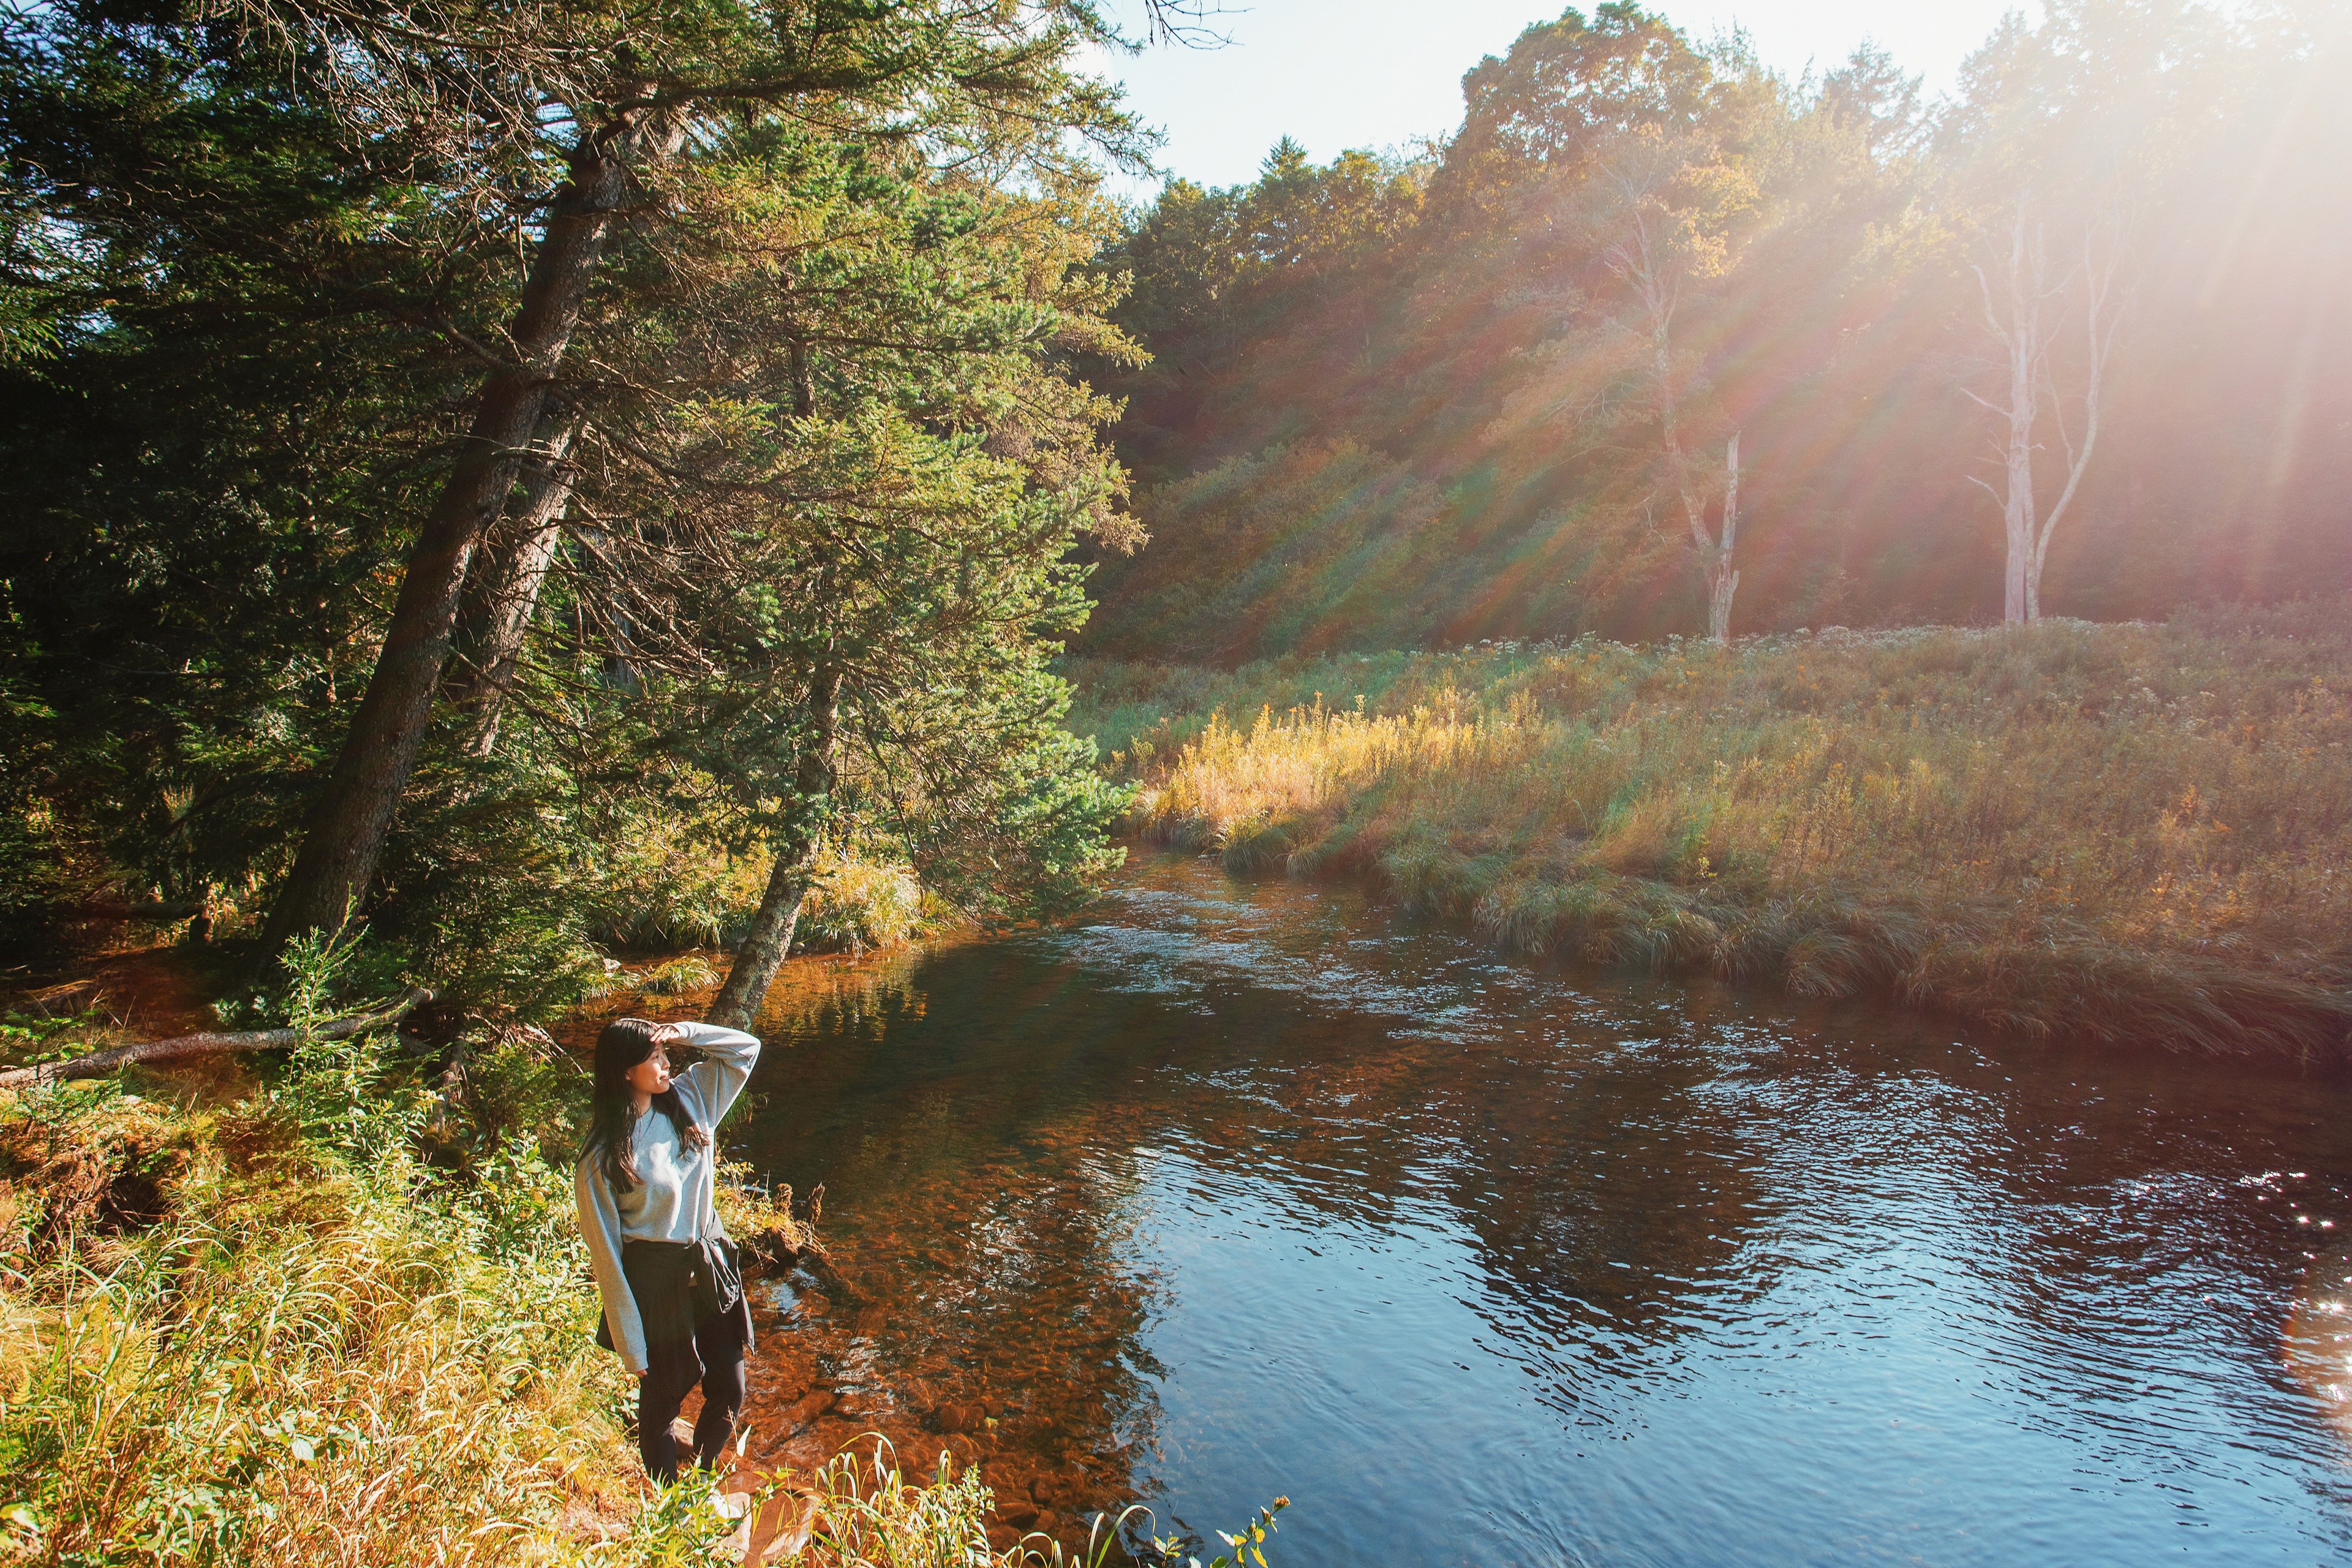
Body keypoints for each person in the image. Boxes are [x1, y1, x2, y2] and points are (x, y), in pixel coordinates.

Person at [575, 1016, 761, 1482]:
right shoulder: (601, 1156)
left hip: (709, 1261)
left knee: (730, 1388)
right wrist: (630, 1345)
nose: (665, 1064)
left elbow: (746, 1049)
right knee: (662, 1403)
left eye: (664, 1055)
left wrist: (683, 1032)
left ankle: (700, 1482)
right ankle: (668, 1503)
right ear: (624, 1072)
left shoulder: (692, 1096)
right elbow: (607, 1259)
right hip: (656, 1281)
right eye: (653, 1058)